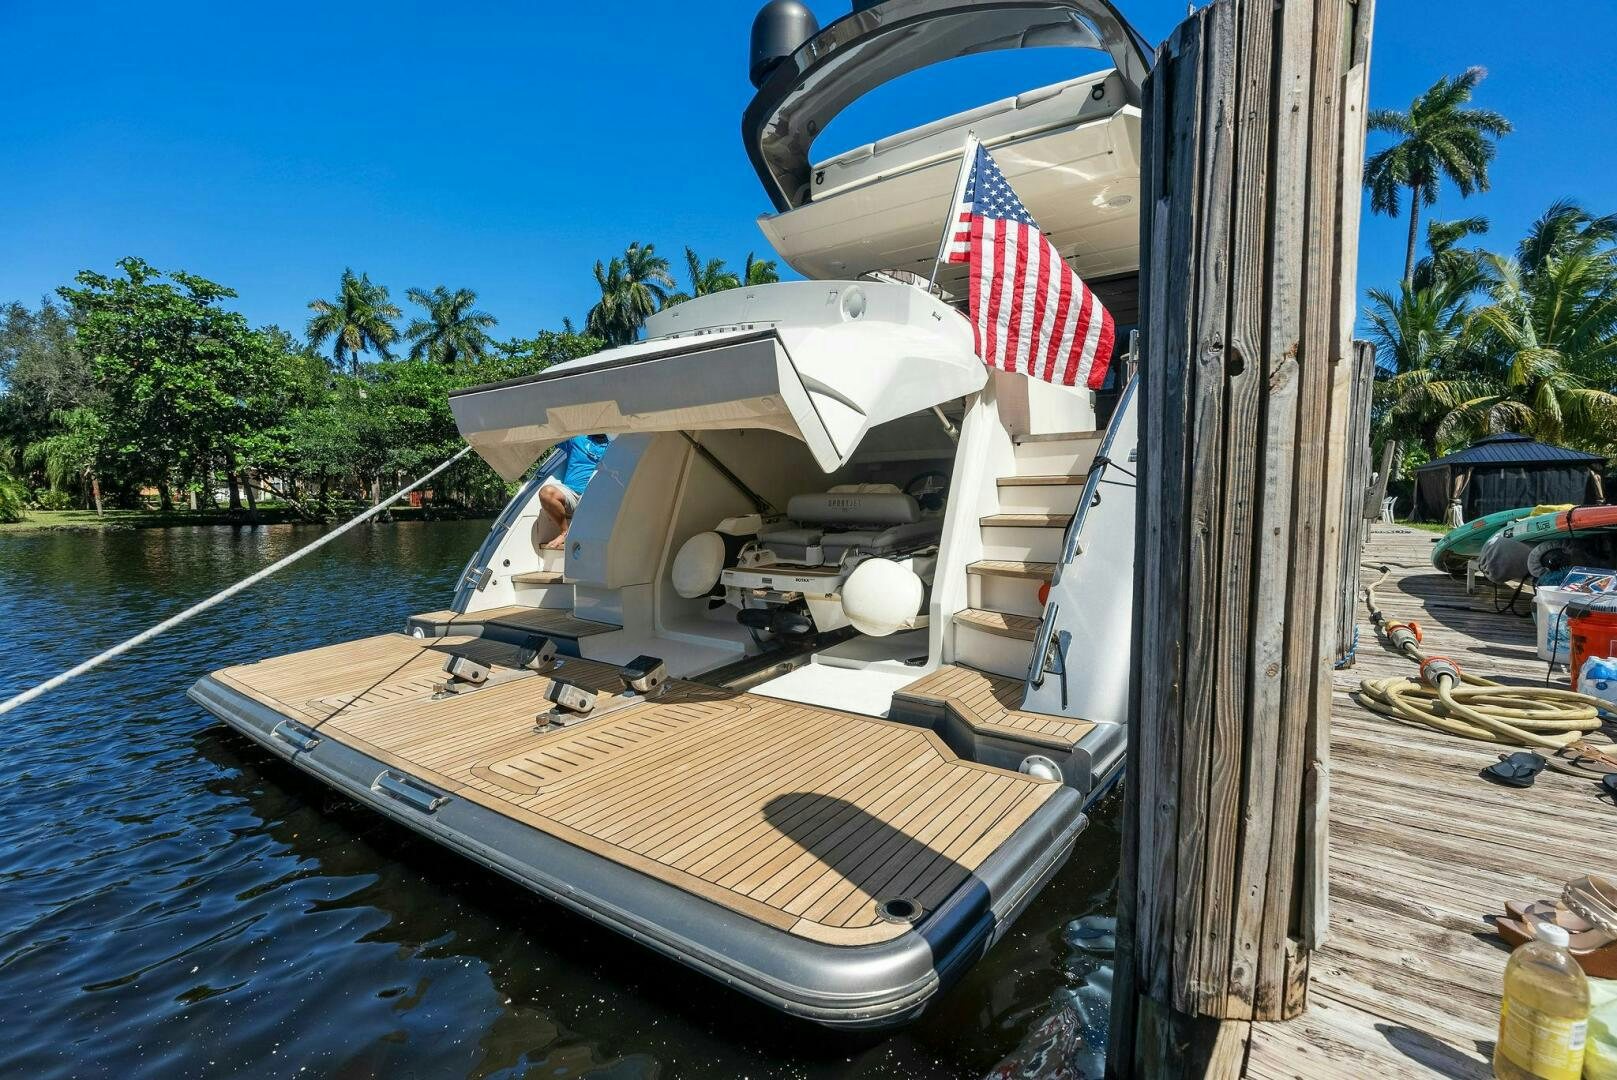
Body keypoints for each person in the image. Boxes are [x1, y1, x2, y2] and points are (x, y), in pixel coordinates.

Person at [539, 434, 609, 549]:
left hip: (595, 497)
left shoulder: (613, 448)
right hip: (571, 494)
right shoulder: (576, 439)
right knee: (546, 493)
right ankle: (564, 533)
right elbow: (551, 435)